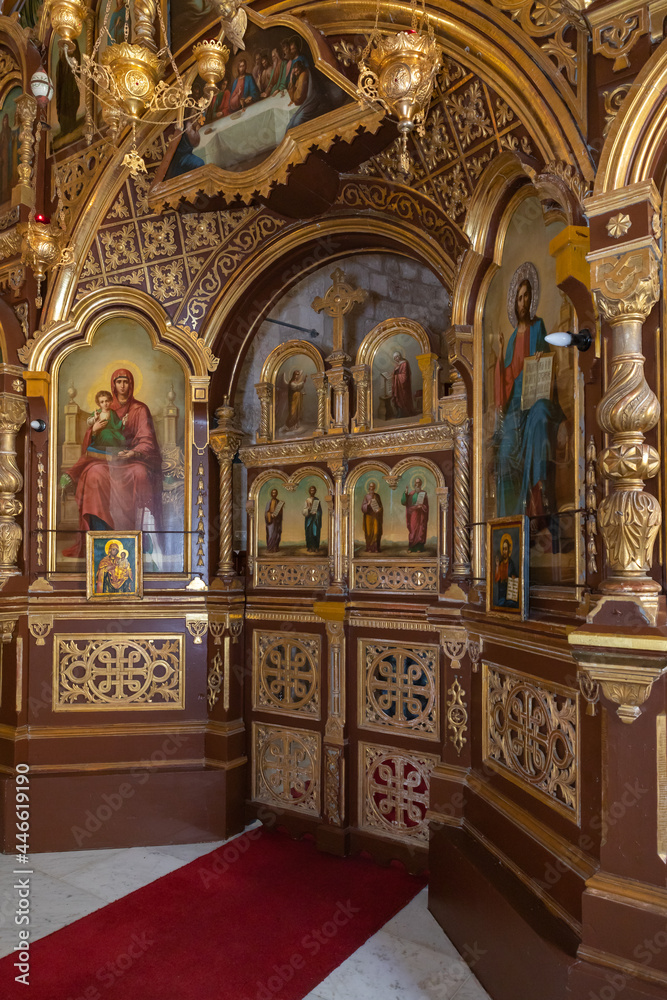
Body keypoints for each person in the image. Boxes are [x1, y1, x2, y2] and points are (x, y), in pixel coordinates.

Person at [62, 369, 163, 557]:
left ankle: (140, 536)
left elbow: (147, 439)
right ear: (113, 385)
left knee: (140, 473)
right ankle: (101, 538)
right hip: (106, 459)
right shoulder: (105, 408)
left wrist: (133, 452)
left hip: (131, 459)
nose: (122, 385)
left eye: (126, 381)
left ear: (131, 384)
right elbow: (91, 440)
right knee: (93, 474)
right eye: (119, 382)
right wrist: (94, 431)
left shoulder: (140, 409)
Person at [493, 277, 564, 517]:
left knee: (541, 415)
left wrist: (540, 358)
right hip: (515, 408)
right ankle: (508, 519)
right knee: (504, 453)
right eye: (519, 297)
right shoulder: (512, 339)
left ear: (531, 299)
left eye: (526, 296)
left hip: (534, 399)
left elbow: (548, 363)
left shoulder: (539, 326)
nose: (523, 302)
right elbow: (506, 381)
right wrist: (502, 351)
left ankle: (538, 497)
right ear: (515, 302)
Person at [286, 58, 324, 129]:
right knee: (292, 121)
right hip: (307, 102)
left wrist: (291, 81)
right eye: (294, 73)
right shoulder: (300, 76)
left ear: (300, 68)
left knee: (296, 121)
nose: (296, 73)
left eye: (297, 71)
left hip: (312, 101)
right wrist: (291, 78)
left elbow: (298, 98)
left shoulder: (303, 75)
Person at [86, 390, 126, 454]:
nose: (105, 403)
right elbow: (88, 422)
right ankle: (118, 451)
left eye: (106, 401)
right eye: (102, 402)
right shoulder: (97, 413)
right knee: (108, 434)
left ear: (110, 401)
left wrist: (123, 422)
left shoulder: (112, 413)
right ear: (99, 404)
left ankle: (119, 450)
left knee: (121, 437)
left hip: (113, 432)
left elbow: (117, 424)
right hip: (101, 436)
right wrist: (95, 418)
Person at [401, 476, 429, 552]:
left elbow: (426, 506)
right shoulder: (411, 493)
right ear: (414, 484)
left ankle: (419, 547)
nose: (417, 484)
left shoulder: (424, 493)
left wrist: (422, 506)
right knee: (413, 530)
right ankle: (411, 547)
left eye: (419, 482)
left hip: (421, 515)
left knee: (421, 530)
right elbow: (404, 502)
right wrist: (405, 493)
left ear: (421, 484)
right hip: (414, 514)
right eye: (416, 482)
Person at [384, 351, 414, 418]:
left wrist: (396, 377)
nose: (396, 358)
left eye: (397, 357)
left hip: (403, 386)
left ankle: (404, 413)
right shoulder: (397, 365)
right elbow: (395, 373)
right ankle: (399, 412)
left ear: (400, 356)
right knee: (397, 398)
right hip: (397, 386)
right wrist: (392, 375)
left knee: (402, 398)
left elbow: (404, 375)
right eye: (395, 358)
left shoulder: (404, 363)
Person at [493, 533, 519, 607]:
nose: (504, 552)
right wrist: (497, 565)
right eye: (503, 549)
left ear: (509, 550)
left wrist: (514, 576)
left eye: (506, 549)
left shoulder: (511, 563)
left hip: (510, 593)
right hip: (501, 592)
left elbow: (514, 575)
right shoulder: (500, 563)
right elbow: (497, 579)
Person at [361, 481, 383, 553]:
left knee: (376, 532)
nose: (372, 488)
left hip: (375, 516)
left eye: (373, 486)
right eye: (370, 486)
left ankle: (376, 548)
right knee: (369, 532)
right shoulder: (366, 496)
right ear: (369, 487)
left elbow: (380, 506)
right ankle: (369, 548)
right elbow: (362, 507)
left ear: (374, 487)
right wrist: (367, 504)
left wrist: (379, 509)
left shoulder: (377, 496)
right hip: (368, 516)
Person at [302, 484, 322, 553]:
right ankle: (310, 547)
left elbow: (320, 511)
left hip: (315, 520)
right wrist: (308, 510)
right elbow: (304, 511)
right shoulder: (307, 500)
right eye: (311, 490)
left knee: (315, 533)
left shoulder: (317, 500)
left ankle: (316, 547)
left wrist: (316, 513)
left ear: (315, 491)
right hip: (309, 519)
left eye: (313, 490)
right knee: (309, 533)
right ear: (309, 491)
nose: (312, 491)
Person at [264, 488, 283, 552]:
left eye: (275, 493)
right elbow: (266, 513)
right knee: (271, 534)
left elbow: (280, 513)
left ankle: (275, 547)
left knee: (277, 534)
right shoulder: (269, 502)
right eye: (273, 493)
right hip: (271, 522)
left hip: (277, 521)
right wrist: (270, 515)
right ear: (271, 494)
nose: (274, 494)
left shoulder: (278, 502)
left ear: (277, 494)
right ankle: (270, 548)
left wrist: (279, 512)